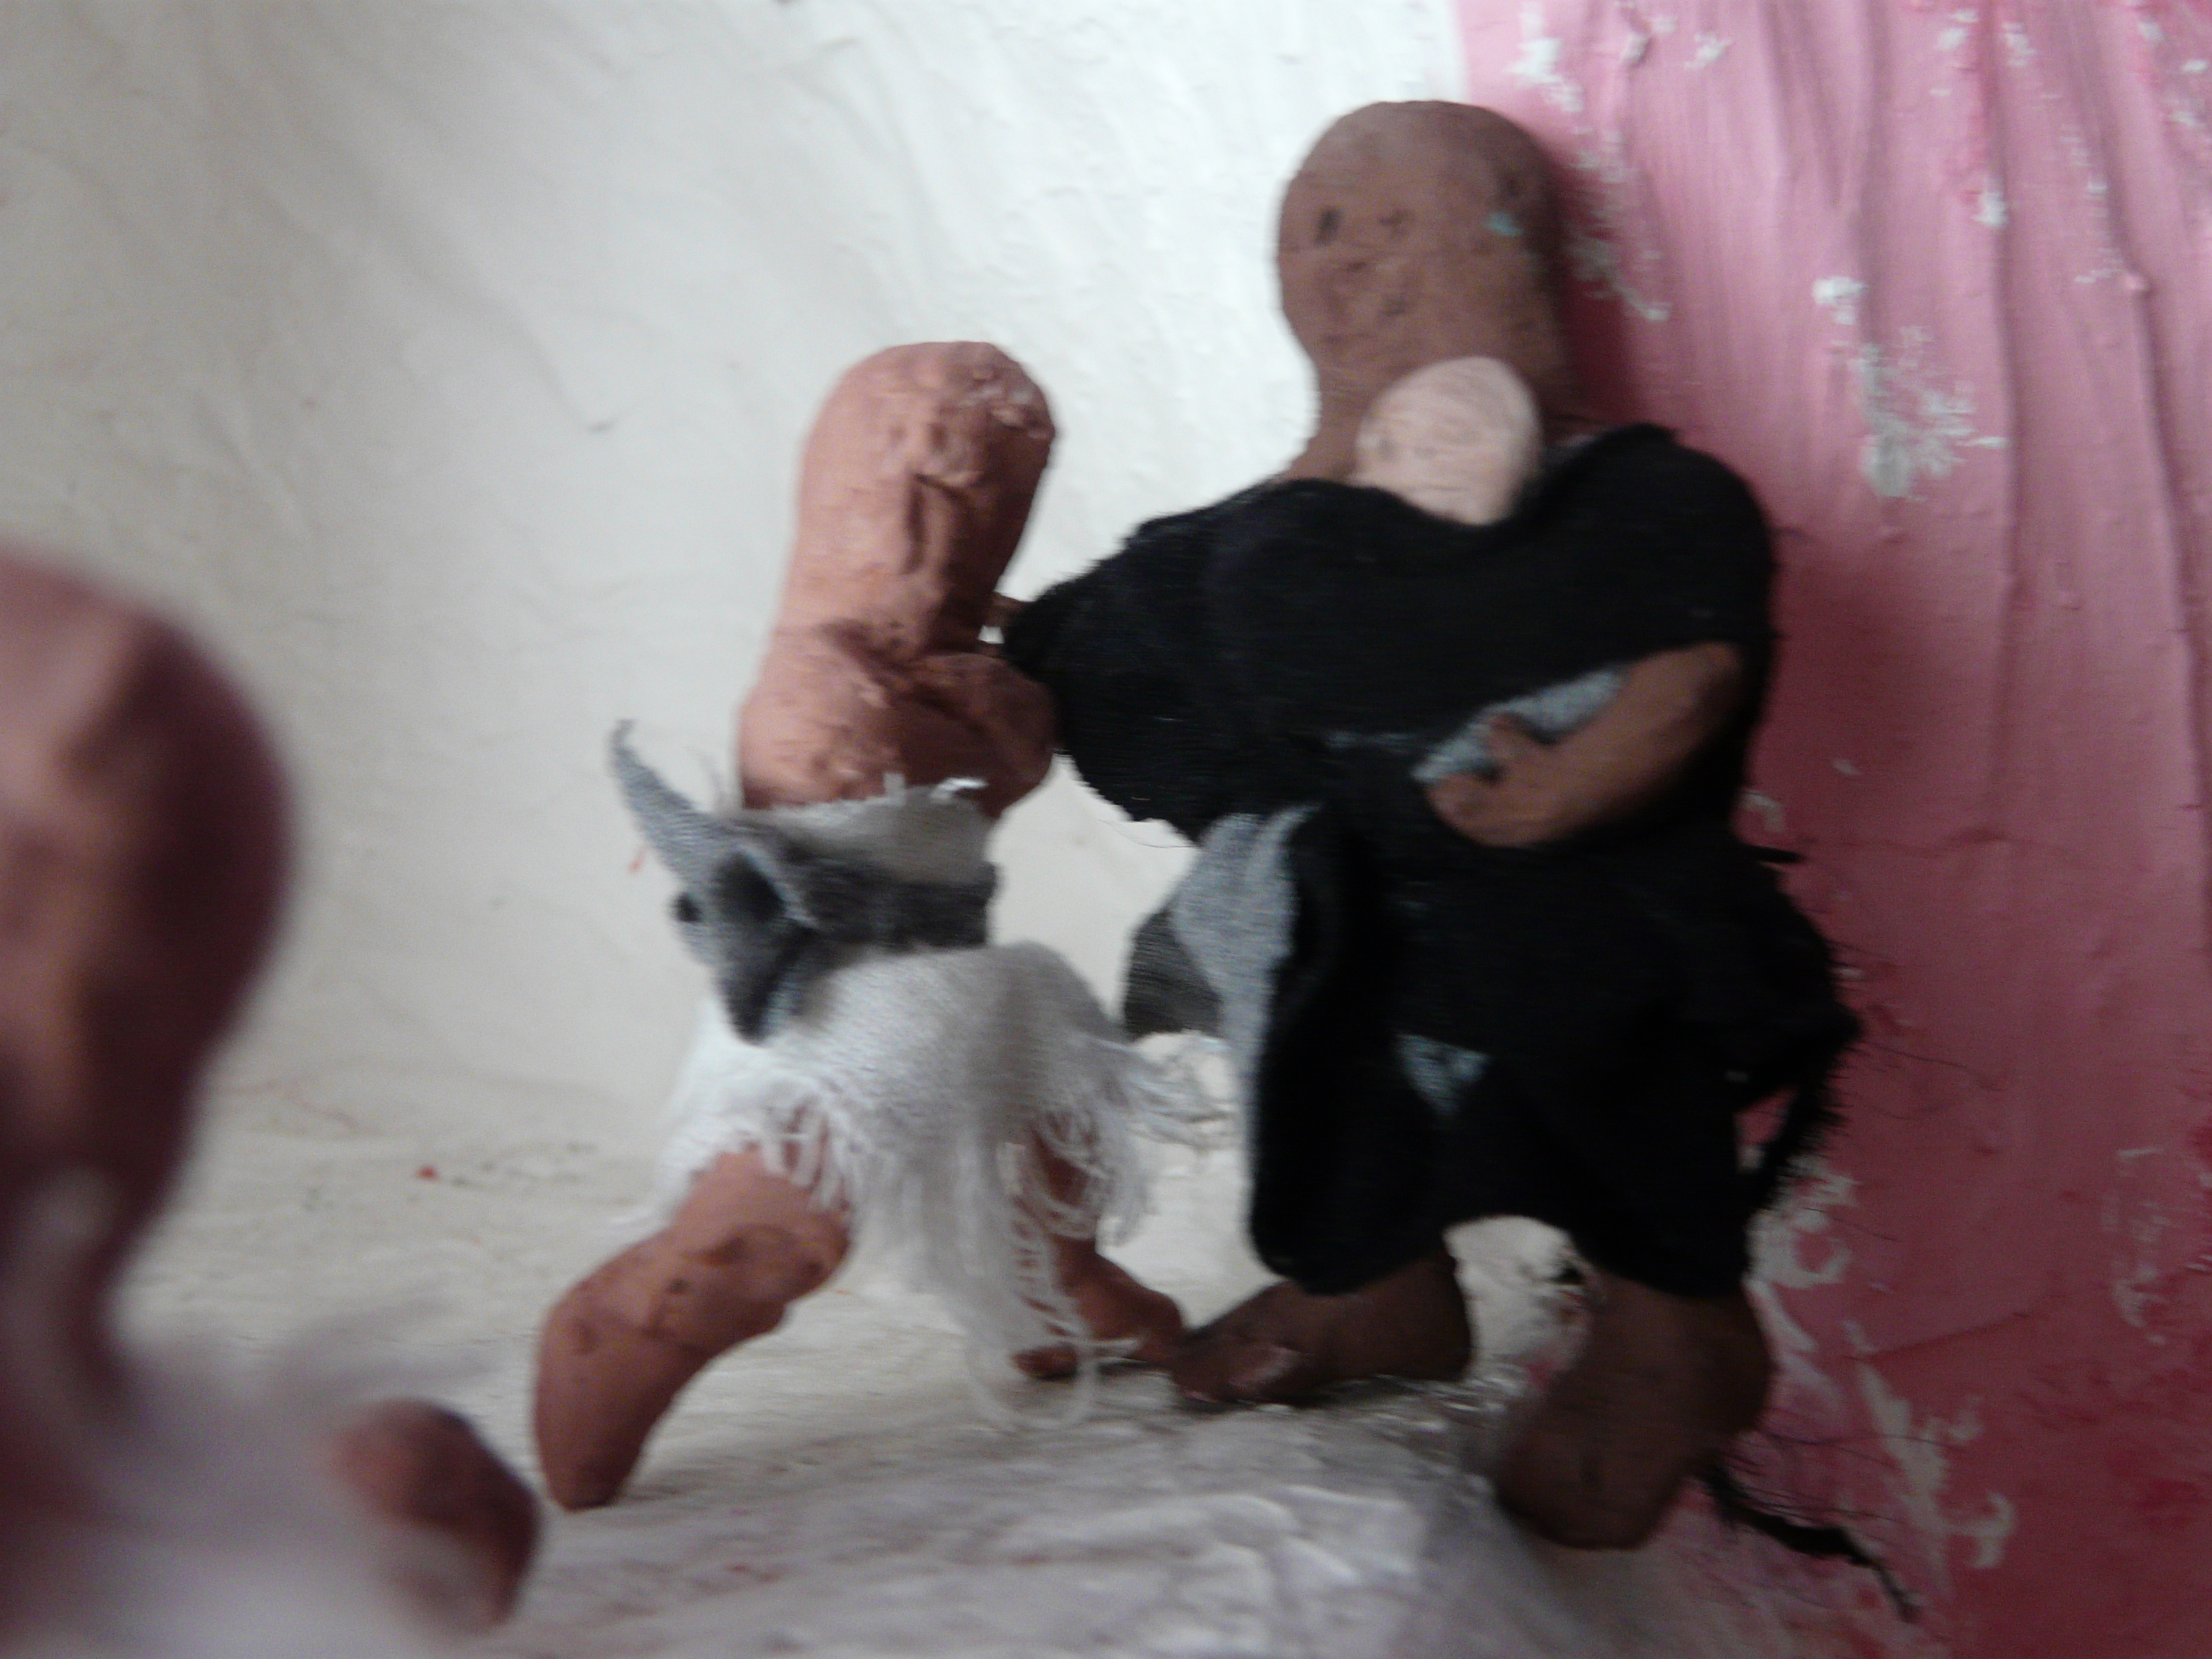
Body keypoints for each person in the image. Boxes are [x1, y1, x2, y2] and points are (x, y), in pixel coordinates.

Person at [1002, 101, 1856, 1551]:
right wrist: (1012, 664)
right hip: (1341, 917)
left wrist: (1569, 788)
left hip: (1559, 903)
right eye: (1315, 233)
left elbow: (1697, 667)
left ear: (1514, 250)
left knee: (1603, 1050)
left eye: (1394, 224)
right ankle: (1374, 1285)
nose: (1347, 260)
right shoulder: (1258, 542)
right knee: (1317, 1064)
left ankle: (1674, 1331)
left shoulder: (1634, 494)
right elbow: (1119, 669)